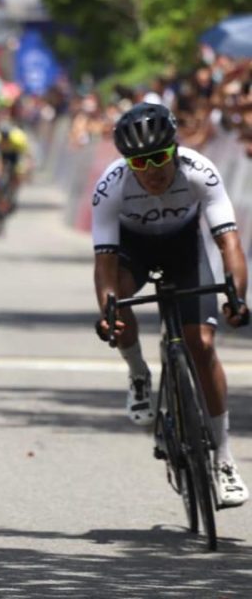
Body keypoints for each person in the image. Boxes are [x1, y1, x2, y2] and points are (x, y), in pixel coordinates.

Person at [92, 102, 250, 507]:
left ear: (175, 149)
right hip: (133, 253)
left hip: (184, 249)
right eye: (140, 162)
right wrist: (108, 313)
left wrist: (236, 295)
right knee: (120, 303)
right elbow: (105, 265)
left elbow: (228, 242)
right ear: (127, 162)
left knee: (203, 345)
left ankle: (225, 460)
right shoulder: (111, 186)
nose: (153, 169)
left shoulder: (199, 170)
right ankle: (139, 374)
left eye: (160, 157)